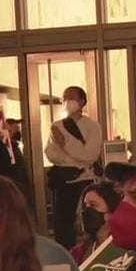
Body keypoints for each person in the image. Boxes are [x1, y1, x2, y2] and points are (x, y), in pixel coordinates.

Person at [44, 86, 103, 249]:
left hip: (86, 179)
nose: (67, 102)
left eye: (72, 98)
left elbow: (89, 155)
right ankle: (66, 253)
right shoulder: (57, 126)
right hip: (64, 181)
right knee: (63, 222)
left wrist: (65, 144)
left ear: (82, 101)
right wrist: (72, 158)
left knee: (88, 220)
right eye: (64, 98)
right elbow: (51, 153)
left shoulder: (92, 126)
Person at [71, 181, 122, 265]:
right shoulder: (78, 253)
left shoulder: (126, 251)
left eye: (93, 205)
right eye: (84, 206)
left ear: (110, 213)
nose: (86, 211)